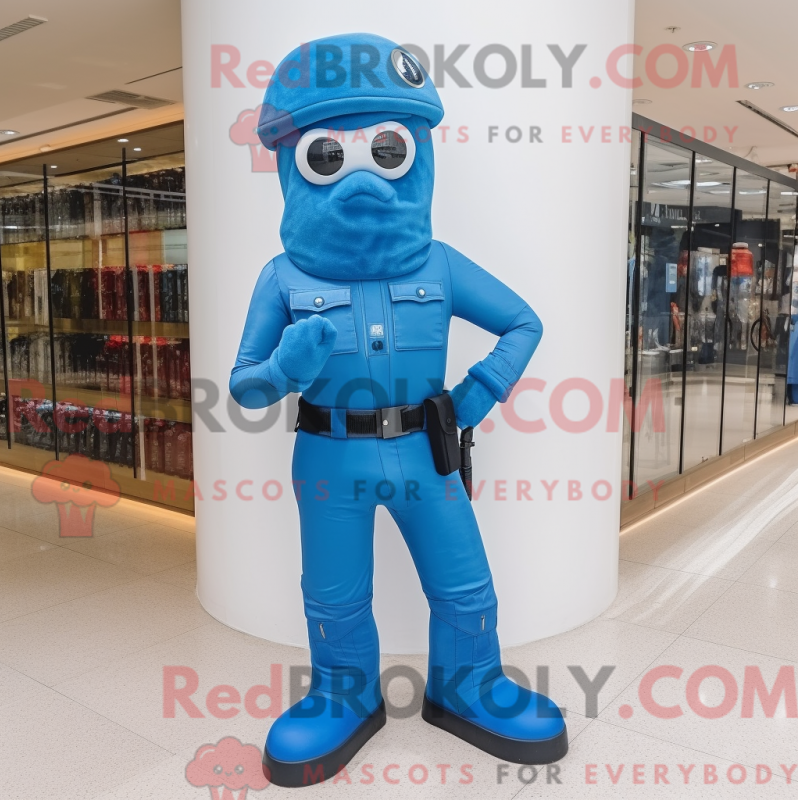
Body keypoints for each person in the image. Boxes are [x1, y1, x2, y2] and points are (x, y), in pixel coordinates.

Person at [230, 33, 566, 787]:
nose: (359, 172)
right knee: (334, 593)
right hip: (327, 456)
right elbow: (245, 386)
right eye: (327, 155)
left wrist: (479, 391)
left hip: (424, 451)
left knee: (465, 585)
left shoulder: (439, 264)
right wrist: (285, 368)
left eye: (386, 149)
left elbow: (523, 322)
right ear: (292, 163)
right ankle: (343, 695)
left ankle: (469, 686)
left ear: (416, 150)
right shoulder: (282, 277)